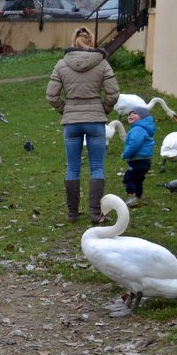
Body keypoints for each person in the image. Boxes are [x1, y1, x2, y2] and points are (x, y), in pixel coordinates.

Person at [45, 26, 120, 223]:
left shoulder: (61, 64)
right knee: (97, 167)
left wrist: (65, 110)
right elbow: (113, 94)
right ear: (92, 41)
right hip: (95, 121)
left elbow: (51, 96)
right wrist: (102, 109)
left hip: (72, 123)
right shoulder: (102, 63)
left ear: (73, 41)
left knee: (72, 167)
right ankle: (95, 213)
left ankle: (72, 213)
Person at [121, 106, 155, 208]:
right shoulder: (141, 129)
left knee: (128, 178)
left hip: (138, 160)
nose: (130, 115)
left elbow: (134, 144)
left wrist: (125, 154)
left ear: (143, 117)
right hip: (145, 161)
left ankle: (132, 197)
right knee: (138, 179)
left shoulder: (138, 129)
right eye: (129, 113)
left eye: (134, 113)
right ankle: (138, 196)